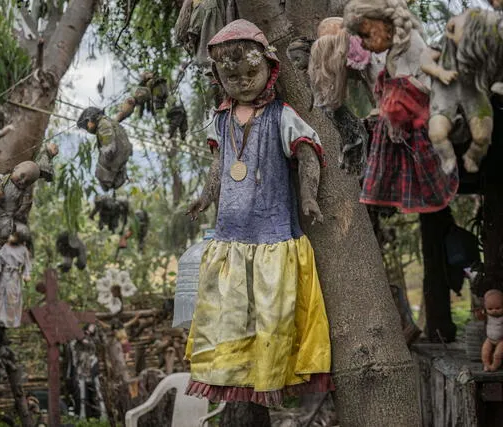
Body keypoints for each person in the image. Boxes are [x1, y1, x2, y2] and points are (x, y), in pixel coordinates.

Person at [184, 19, 333, 407]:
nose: (243, 81)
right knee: (230, 319)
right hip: (230, 239)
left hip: (273, 238)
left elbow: (306, 153)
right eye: (232, 76)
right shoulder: (219, 120)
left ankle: (272, 375)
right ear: (219, 76)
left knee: (274, 316)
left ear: (269, 67)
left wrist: (309, 197)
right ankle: (237, 373)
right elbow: (219, 165)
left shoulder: (282, 115)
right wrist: (205, 196)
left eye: (251, 72)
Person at [343, 0, 458, 214]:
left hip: (422, 113)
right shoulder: (394, 52)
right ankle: (386, 187)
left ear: (387, 25)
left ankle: (393, 186)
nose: (365, 44)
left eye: (366, 36)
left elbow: (413, 88)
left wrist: (392, 106)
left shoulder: (411, 45)